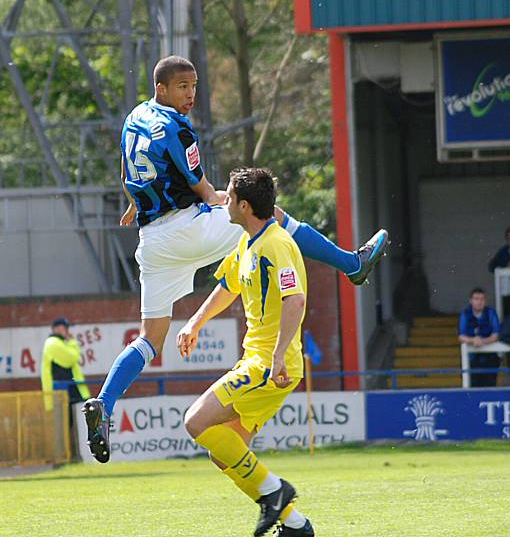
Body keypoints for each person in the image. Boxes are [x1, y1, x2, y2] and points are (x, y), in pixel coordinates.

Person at [82, 55, 388, 463]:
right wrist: (224, 199)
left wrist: (137, 201)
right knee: (269, 214)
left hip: (153, 240)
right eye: (182, 87)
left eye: (193, 86)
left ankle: (104, 404)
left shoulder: (135, 116)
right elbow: (207, 192)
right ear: (161, 88)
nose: (190, 94)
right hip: (187, 229)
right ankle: (353, 264)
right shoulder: (178, 126)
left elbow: (127, 165)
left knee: (149, 338)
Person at [177, 167, 313, 537]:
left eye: (231, 197)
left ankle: (274, 491)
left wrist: (277, 355)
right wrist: (195, 323)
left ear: (245, 206)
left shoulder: (276, 244)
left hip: (269, 365)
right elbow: (228, 286)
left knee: (195, 421)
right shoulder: (248, 243)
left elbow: (295, 299)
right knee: (224, 454)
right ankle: (297, 525)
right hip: (260, 360)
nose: (225, 201)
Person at [41, 318, 90, 414]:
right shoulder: (53, 343)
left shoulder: (61, 343)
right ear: (57, 329)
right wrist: (72, 342)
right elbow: (72, 358)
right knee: (67, 426)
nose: (67, 332)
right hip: (61, 394)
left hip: (68, 392)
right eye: (65, 328)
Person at [458, 287, 501, 387]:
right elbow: (461, 336)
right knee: (472, 387)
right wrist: (473, 340)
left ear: (485, 301)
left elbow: (496, 334)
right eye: (476, 299)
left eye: (482, 299)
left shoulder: (491, 313)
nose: (479, 302)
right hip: (471, 360)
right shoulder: (465, 314)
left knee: (490, 387)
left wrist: (483, 341)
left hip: (490, 359)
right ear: (471, 301)